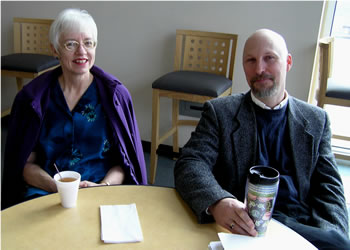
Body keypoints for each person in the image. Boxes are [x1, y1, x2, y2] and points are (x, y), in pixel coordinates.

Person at [174, 29, 350, 249]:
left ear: (287, 62)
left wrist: (332, 235)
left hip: (300, 228)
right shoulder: (220, 112)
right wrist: (218, 202)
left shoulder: (316, 120)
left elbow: (330, 188)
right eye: (251, 60)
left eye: (270, 58)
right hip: (243, 230)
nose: (259, 69)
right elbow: (190, 163)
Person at [2, 8, 147, 209]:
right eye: (71, 44)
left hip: (103, 188)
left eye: (88, 43)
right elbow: (25, 165)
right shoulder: (33, 99)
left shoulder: (115, 96)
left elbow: (124, 164)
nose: (81, 52)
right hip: (46, 191)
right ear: (55, 50)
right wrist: (56, 187)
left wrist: (103, 186)